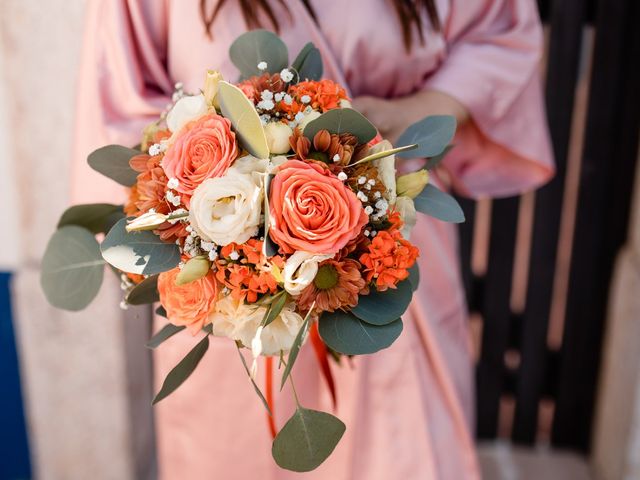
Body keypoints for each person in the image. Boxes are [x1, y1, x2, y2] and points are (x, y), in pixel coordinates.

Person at [72, 1, 553, 478]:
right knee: (238, 448)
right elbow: (119, 100)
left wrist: (415, 113)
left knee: (401, 449)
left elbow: (498, 31)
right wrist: (218, 205)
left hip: (391, 256)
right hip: (232, 282)